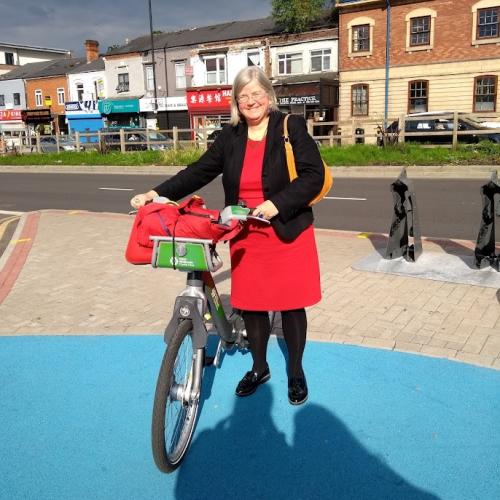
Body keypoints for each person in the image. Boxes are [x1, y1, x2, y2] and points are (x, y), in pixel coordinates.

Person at [131, 66, 324, 405]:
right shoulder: (231, 136)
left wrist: (275, 204)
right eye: (243, 95)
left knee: (291, 306)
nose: (251, 101)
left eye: (256, 93)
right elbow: (198, 172)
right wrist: (156, 193)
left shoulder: (289, 126)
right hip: (246, 233)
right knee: (252, 306)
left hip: (287, 231)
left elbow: (314, 177)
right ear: (236, 101)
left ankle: (295, 371)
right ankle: (259, 367)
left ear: (269, 94)